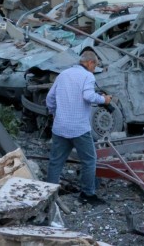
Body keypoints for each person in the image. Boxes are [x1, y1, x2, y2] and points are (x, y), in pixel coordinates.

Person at [45, 50, 112, 206]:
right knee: (89, 160)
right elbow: (88, 96)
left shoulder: (63, 74)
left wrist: (55, 113)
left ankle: (48, 195)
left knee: (56, 162)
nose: (94, 70)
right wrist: (104, 99)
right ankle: (87, 194)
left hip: (60, 126)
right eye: (95, 66)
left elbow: (50, 98)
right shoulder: (87, 76)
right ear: (90, 63)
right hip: (79, 128)